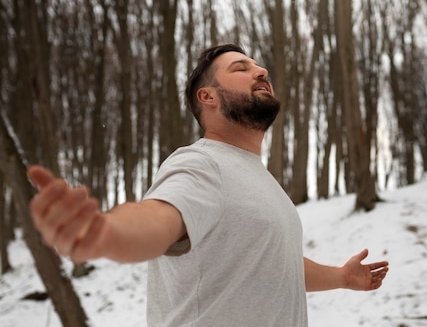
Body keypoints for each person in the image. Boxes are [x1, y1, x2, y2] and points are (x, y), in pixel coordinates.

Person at [27, 44, 389, 326]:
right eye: (240, 68)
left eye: (257, 65)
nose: (261, 71)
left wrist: (341, 277)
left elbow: (274, 265)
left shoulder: (259, 179)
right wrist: (104, 233)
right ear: (208, 97)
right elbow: (158, 220)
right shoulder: (201, 164)